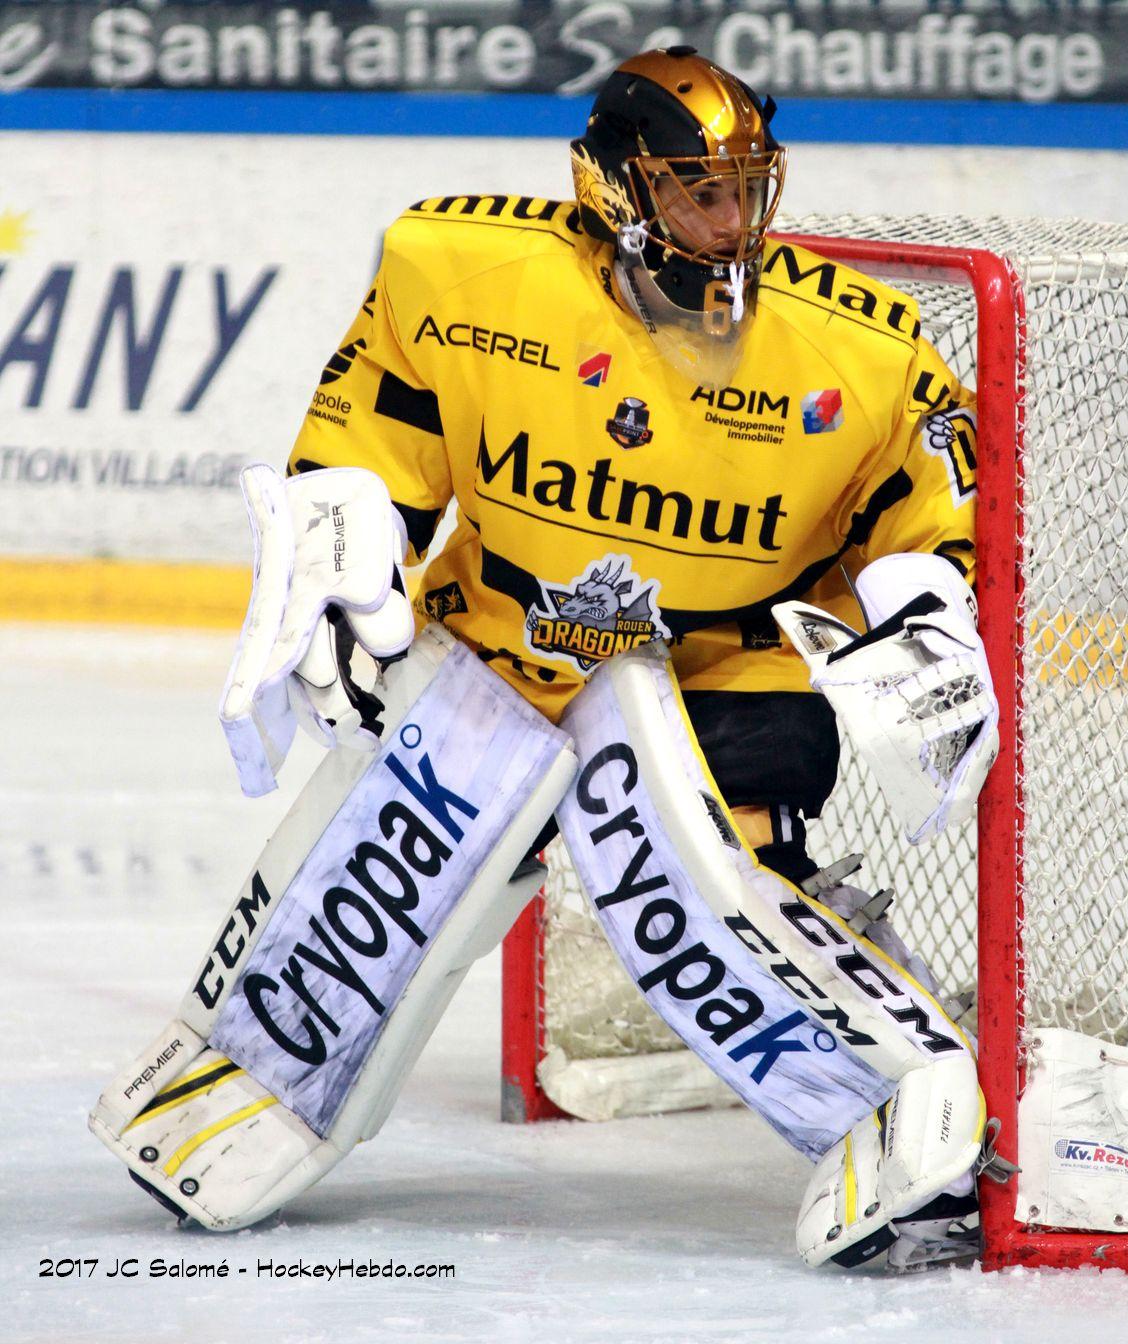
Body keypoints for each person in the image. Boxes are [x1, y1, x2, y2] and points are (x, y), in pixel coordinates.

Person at [92, 47, 997, 1270]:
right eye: (697, 192)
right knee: (398, 870)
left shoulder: (856, 347)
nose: (730, 224)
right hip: (506, 645)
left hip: (723, 665)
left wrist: (928, 603)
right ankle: (256, 1071)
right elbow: (377, 438)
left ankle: (906, 1100)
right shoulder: (465, 275)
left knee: (710, 892)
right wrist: (347, 539)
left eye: (745, 191)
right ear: (615, 187)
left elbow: (927, 492)